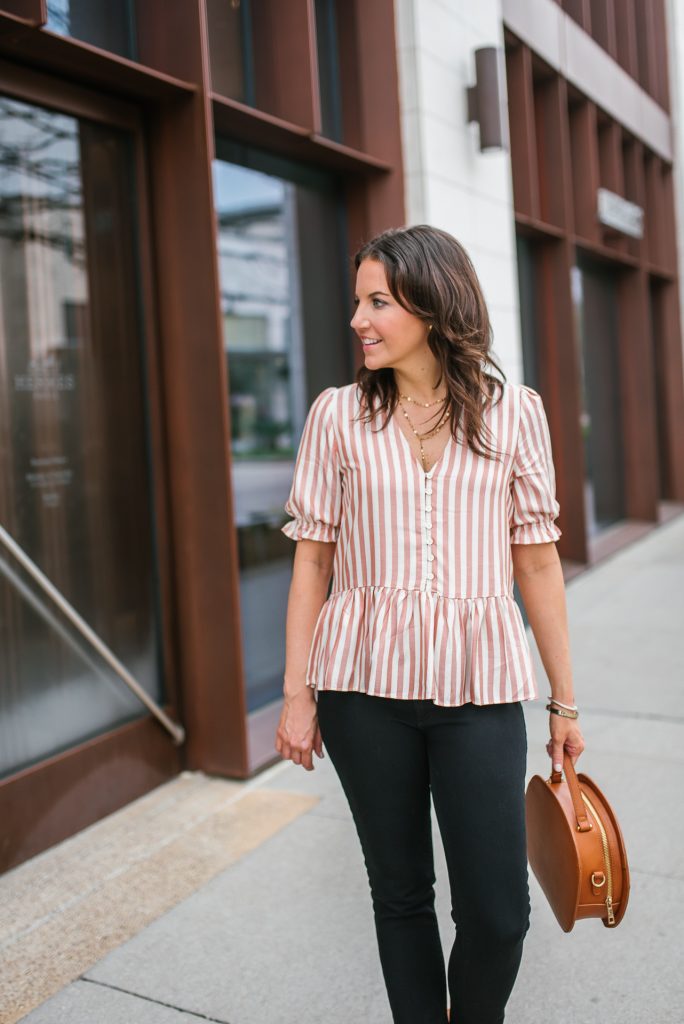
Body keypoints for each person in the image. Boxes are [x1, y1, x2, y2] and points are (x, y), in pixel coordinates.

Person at [275, 224, 585, 1024]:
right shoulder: (337, 417)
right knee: (401, 892)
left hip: (478, 686)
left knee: (497, 914)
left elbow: (538, 562)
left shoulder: (515, 414)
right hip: (359, 689)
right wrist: (296, 694)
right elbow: (312, 561)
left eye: (377, 301)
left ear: (433, 302)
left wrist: (564, 701)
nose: (358, 320)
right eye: (357, 302)